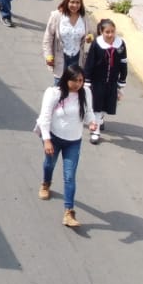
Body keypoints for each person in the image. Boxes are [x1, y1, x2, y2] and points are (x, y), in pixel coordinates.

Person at [36, 66, 95, 228]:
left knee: (69, 176)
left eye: (81, 81)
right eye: (74, 80)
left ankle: (68, 212)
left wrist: (91, 122)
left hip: (73, 141)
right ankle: (46, 183)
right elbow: (45, 117)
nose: (78, 84)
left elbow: (88, 112)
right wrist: (47, 140)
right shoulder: (54, 93)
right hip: (54, 138)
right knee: (49, 164)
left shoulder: (86, 93)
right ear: (66, 79)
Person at [82, 18, 128, 143]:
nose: (110, 34)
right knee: (96, 105)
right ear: (101, 32)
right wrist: (87, 80)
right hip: (98, 81)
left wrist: (122, 80)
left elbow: (123, 63)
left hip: (112, 82)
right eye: (107, 32)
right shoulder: (96, 44)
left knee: (107, 105)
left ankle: (100, 118)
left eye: (112, 31)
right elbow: (89, 63)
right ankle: (95, 131)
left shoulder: (121, 44)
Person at [41, 0, 92, 80]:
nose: (75, 5)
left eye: (78, 2)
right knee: (59, 87)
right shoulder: (56, 16)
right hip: (60, 57)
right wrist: (48, 55)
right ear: (66, 2)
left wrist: (90, 38)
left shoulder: (84, 17)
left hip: (77, 58)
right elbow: (48, 38)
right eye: (72, 2)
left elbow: (90, 34)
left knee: (74, 87)